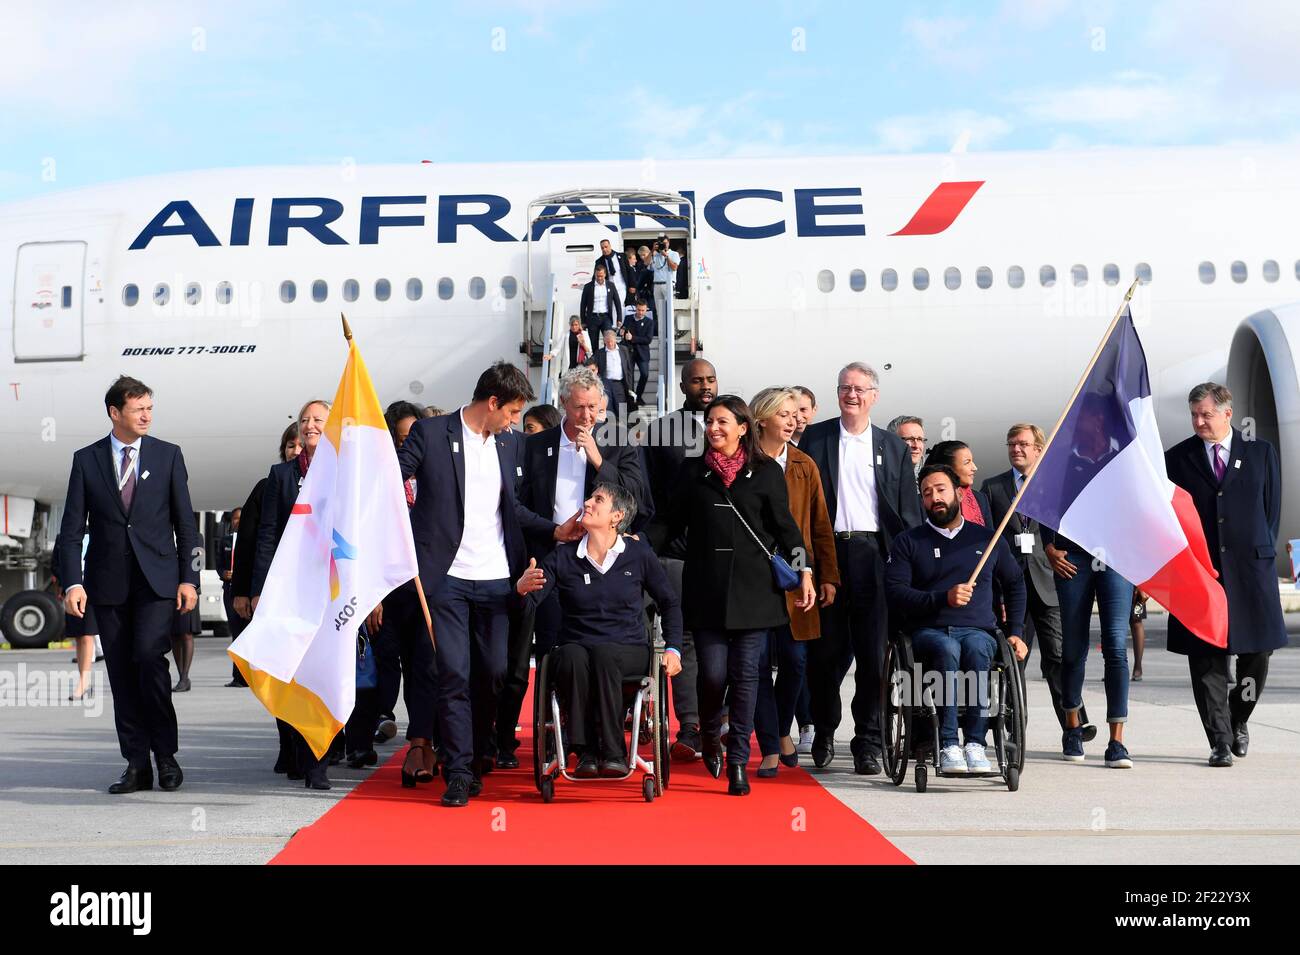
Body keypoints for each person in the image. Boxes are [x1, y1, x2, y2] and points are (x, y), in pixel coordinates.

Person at [396, 362, 575, 807]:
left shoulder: (509, 444)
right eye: (512, 412)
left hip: (498, 580)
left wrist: (554, 531)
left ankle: (475, 758)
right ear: (492, 403)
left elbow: (511, 508)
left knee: (493, 675)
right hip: (448, 579)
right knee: (453, 674)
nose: (515, 421)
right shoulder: (431, 433)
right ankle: (458, 772)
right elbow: (392, 478)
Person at [500, 366, 651, 767]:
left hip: (604, 566)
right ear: (564, 404)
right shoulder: (535, 446)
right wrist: (553, 532)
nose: (587, 416)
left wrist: (599, 460)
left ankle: (599, 739)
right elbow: (516, 506)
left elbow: (637, 503)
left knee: (598, 652)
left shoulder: (619, 444)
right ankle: (537, 736)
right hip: (553, 559)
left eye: (593, 408)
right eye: (580, 407)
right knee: (551, 651)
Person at [57, 375, 200, 795]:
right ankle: (136, 764)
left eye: (149, 409)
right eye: (138, 409)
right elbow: (70, 530)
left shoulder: (168, 455)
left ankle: (166, 756)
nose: (146, 416)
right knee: (120, 672)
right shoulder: (87, 460)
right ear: (114, 413)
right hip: (108, 584)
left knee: (149, 659)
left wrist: (190, 578)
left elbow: (186, 525)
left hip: (158, 582)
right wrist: (72, 583)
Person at [667, 395, 816, 796]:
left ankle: (737, 762)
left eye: (722, 422)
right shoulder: (692, 472)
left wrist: (805, 570)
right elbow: (666, 524)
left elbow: (787, 530)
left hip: (755, 595)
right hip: (706, 592)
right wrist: (628, 545)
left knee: (747, 676)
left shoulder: (766, 473)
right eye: (710, 422)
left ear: (743, 428)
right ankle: (711, 733)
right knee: (713, 675)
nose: (714, 429)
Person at [797, 362, 922, 773]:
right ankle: (825, 732)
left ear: (874, 396)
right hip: (828, 554)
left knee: (872, 657)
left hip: (874, 557)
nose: (852, 395)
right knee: (825, 655)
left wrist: (907, 566)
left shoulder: (893, 447)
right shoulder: (815, 438)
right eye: (845, 388)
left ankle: (868, 740)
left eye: (860, 389)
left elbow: (907, 514)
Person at [517, 484, 683, 776]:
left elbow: (670, 603)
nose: (587, 503)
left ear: (616, 516)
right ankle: (585, 751)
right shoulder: (564, 557)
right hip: (576, 645)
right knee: (571, 657)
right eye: (590, 497)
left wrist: (673, 649)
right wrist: (520, 590)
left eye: (598, 500)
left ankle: (613, 749)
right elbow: (531, 602)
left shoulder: (638, 554)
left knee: (605, 653)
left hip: (627, 648)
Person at [1164, 382, 1287, 767]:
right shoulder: (1178, 458)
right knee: (1206, 658)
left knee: (1257, 653)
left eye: (1207, 414)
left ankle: (1238, 718)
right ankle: (1218, 740)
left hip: (1251, 571)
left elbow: (1270, 512)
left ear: (1228, 414)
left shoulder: (1261, 453)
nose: (1199, 422)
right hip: (1200, 573)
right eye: (1194, 415)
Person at [885, 465, 1028, 773]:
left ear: (959, 493)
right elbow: (896, 592)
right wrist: (942, 598)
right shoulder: (909, 542)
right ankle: (949, 743)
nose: (934, 498)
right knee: (946, 649)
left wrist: (1015, 631)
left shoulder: (987, 539)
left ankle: (975, 743)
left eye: (940, 490)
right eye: (927, 493)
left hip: (977, 628)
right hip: (928, 630)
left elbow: (1015, 583)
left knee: (976, 648)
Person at [748, 388, 839, 777]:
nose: (792, 421)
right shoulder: (743, 464)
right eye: (783, 414)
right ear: (762, 419)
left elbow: (819, 525)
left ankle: (781, 728)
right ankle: (770, 744)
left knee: (795, 661)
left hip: (796, 576)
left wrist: (826, 576)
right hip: (751, 579)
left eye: (793, 414)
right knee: (752, 663)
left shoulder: (804, 464)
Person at [981, 423, 1094, 739]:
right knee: (1013, 661)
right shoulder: (994, 487)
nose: (1016, 449)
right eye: (1012, 443)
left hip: (1050, 584)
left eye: (1023, 444)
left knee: (1059, 657)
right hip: (1012, 587)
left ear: (1039, 450)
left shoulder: (1056, 486)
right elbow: (990, 541)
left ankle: (1074, 726)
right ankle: (1015, 731)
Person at [251, 399, 338, 789]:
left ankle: (318, 757)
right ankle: (302, 754)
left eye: (318, 419)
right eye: (304, 420)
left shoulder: (344, 472)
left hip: (332, 589)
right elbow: (267, 534)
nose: (309, 426)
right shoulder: (281, 475)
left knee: (324, 674)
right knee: (294, 673)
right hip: (291, 590)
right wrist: (260, 591)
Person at [1044, 395, 1135, 769]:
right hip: (1073, 559)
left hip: (1116, 558)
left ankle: (1117, 741)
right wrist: (1049, 548)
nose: (1077, 425)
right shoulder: (1063, 462)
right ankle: (1072, 725)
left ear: (1099, 423)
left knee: (1115, 645)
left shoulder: (1125, 461)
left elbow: (1140, 511)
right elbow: (1045, 507)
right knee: (1074, 648)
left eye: (1085, 420)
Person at [643, 357, 718, 759]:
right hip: (675, 554)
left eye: (710, 380)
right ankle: (688, 726)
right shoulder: (662, 431)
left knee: (723, 641)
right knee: (683, 640)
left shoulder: (736, 426)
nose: (705, 387)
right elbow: (650, 495)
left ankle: (719, 721)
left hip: (723, 555)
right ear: (683, 385)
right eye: (697, 381)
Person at [230, 423, 301, 698]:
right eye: (289, 445)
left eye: (299, 444)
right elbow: (249, 542)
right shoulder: (268, 486)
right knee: (280, 670)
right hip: (276, 590)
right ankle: (287, 740)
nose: (295, 451)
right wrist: (242, 591)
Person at [53, 534, 100, 702]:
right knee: (81, 636)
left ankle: (84, 682)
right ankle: (84, 681)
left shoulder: (100, 528)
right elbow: (56, 564)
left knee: (88, 635)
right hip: (74, 590)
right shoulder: (64, 536)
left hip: (96, 587)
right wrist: (71, 580)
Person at [924, 440, 991, 526]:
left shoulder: (980, 499)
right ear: (948, 468)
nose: (974, 468)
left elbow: (989, 535)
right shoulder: (929, 500)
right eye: (967, 462)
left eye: (972, 461)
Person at [169, 532, 203, 692]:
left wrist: (193, 585)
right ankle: (181, 675)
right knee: (175, 634)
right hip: (168, 590)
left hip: (188, 589)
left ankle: (185, 676)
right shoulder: (163, 532)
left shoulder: (196, 537)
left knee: (186, 633)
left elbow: (198, 564)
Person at [217, 509, 247, 687]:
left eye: (240, 519)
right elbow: (219, 563)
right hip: (229, 590)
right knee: (235, 633)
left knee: (246, 633)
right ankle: (238, 676)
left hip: (245, 592)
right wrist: (223, 574)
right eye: (235, 518)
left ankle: (249, 676)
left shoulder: (252, 540)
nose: (237, 521)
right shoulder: (225, 541)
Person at [579, 264, 622, 356]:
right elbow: (583, 305)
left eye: (601, 276)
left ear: (605, 274)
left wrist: (619, 318)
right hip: (592, 318)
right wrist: (583, 321)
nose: (599, 278)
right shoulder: (588, 287)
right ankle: (595, 365)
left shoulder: (611, 285)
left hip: (606, 317)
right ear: (595, 274)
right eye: (597, 276)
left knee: (609, 339)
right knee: (593, 343)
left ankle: (609, 359)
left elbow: (617, 303)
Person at [593, 328, 634, 420]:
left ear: (615, 339)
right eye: (607, 342)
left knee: (621, 407)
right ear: (604, 341)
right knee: (608, 407)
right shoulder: (600, 352)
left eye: (611, 341)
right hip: (605, 383)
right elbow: (592, 364)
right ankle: (610, 429)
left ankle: (623, 428)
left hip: (620, 383)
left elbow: (628, 369)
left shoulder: (624, 350)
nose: (610, 344)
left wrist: (630, 387)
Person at [622, 298, 656, 408]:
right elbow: (623, 329)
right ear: (636, 308)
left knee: (645, 374)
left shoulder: (649, 322)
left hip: (642, 353)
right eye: (639, 310)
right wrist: (622, 331)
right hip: (629, 352)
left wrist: (633, 338)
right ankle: (631, 398)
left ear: (646, 310)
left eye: (643, 310)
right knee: (629, 376)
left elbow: (648, 339)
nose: (640, 312)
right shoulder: (628, 318)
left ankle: (639, 395)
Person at [650, 234, 680, 336]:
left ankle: (671, 333)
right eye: (662, 244)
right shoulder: (655, 255)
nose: (664, 246)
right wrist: (652, 251)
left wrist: (666, 256)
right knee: (659, 312)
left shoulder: (674, 254)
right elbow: (646, 263)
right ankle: (662, 334)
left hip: (668, 284)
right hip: (657, 285)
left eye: (665, 243)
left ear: (669, 243)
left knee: (670, 310)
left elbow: (674, 267)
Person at [888, 415, 927, 483]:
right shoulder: (879, 474)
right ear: (892, 442)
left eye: (920, 439)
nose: (916, 446)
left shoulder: (935, 477)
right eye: (910, 439)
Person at [1130, 590, 1147, 681]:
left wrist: (1140, 586)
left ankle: (1138, 666)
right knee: (1113, 624)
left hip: (1136, 584)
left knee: (1136, 620)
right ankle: (1112, 665)